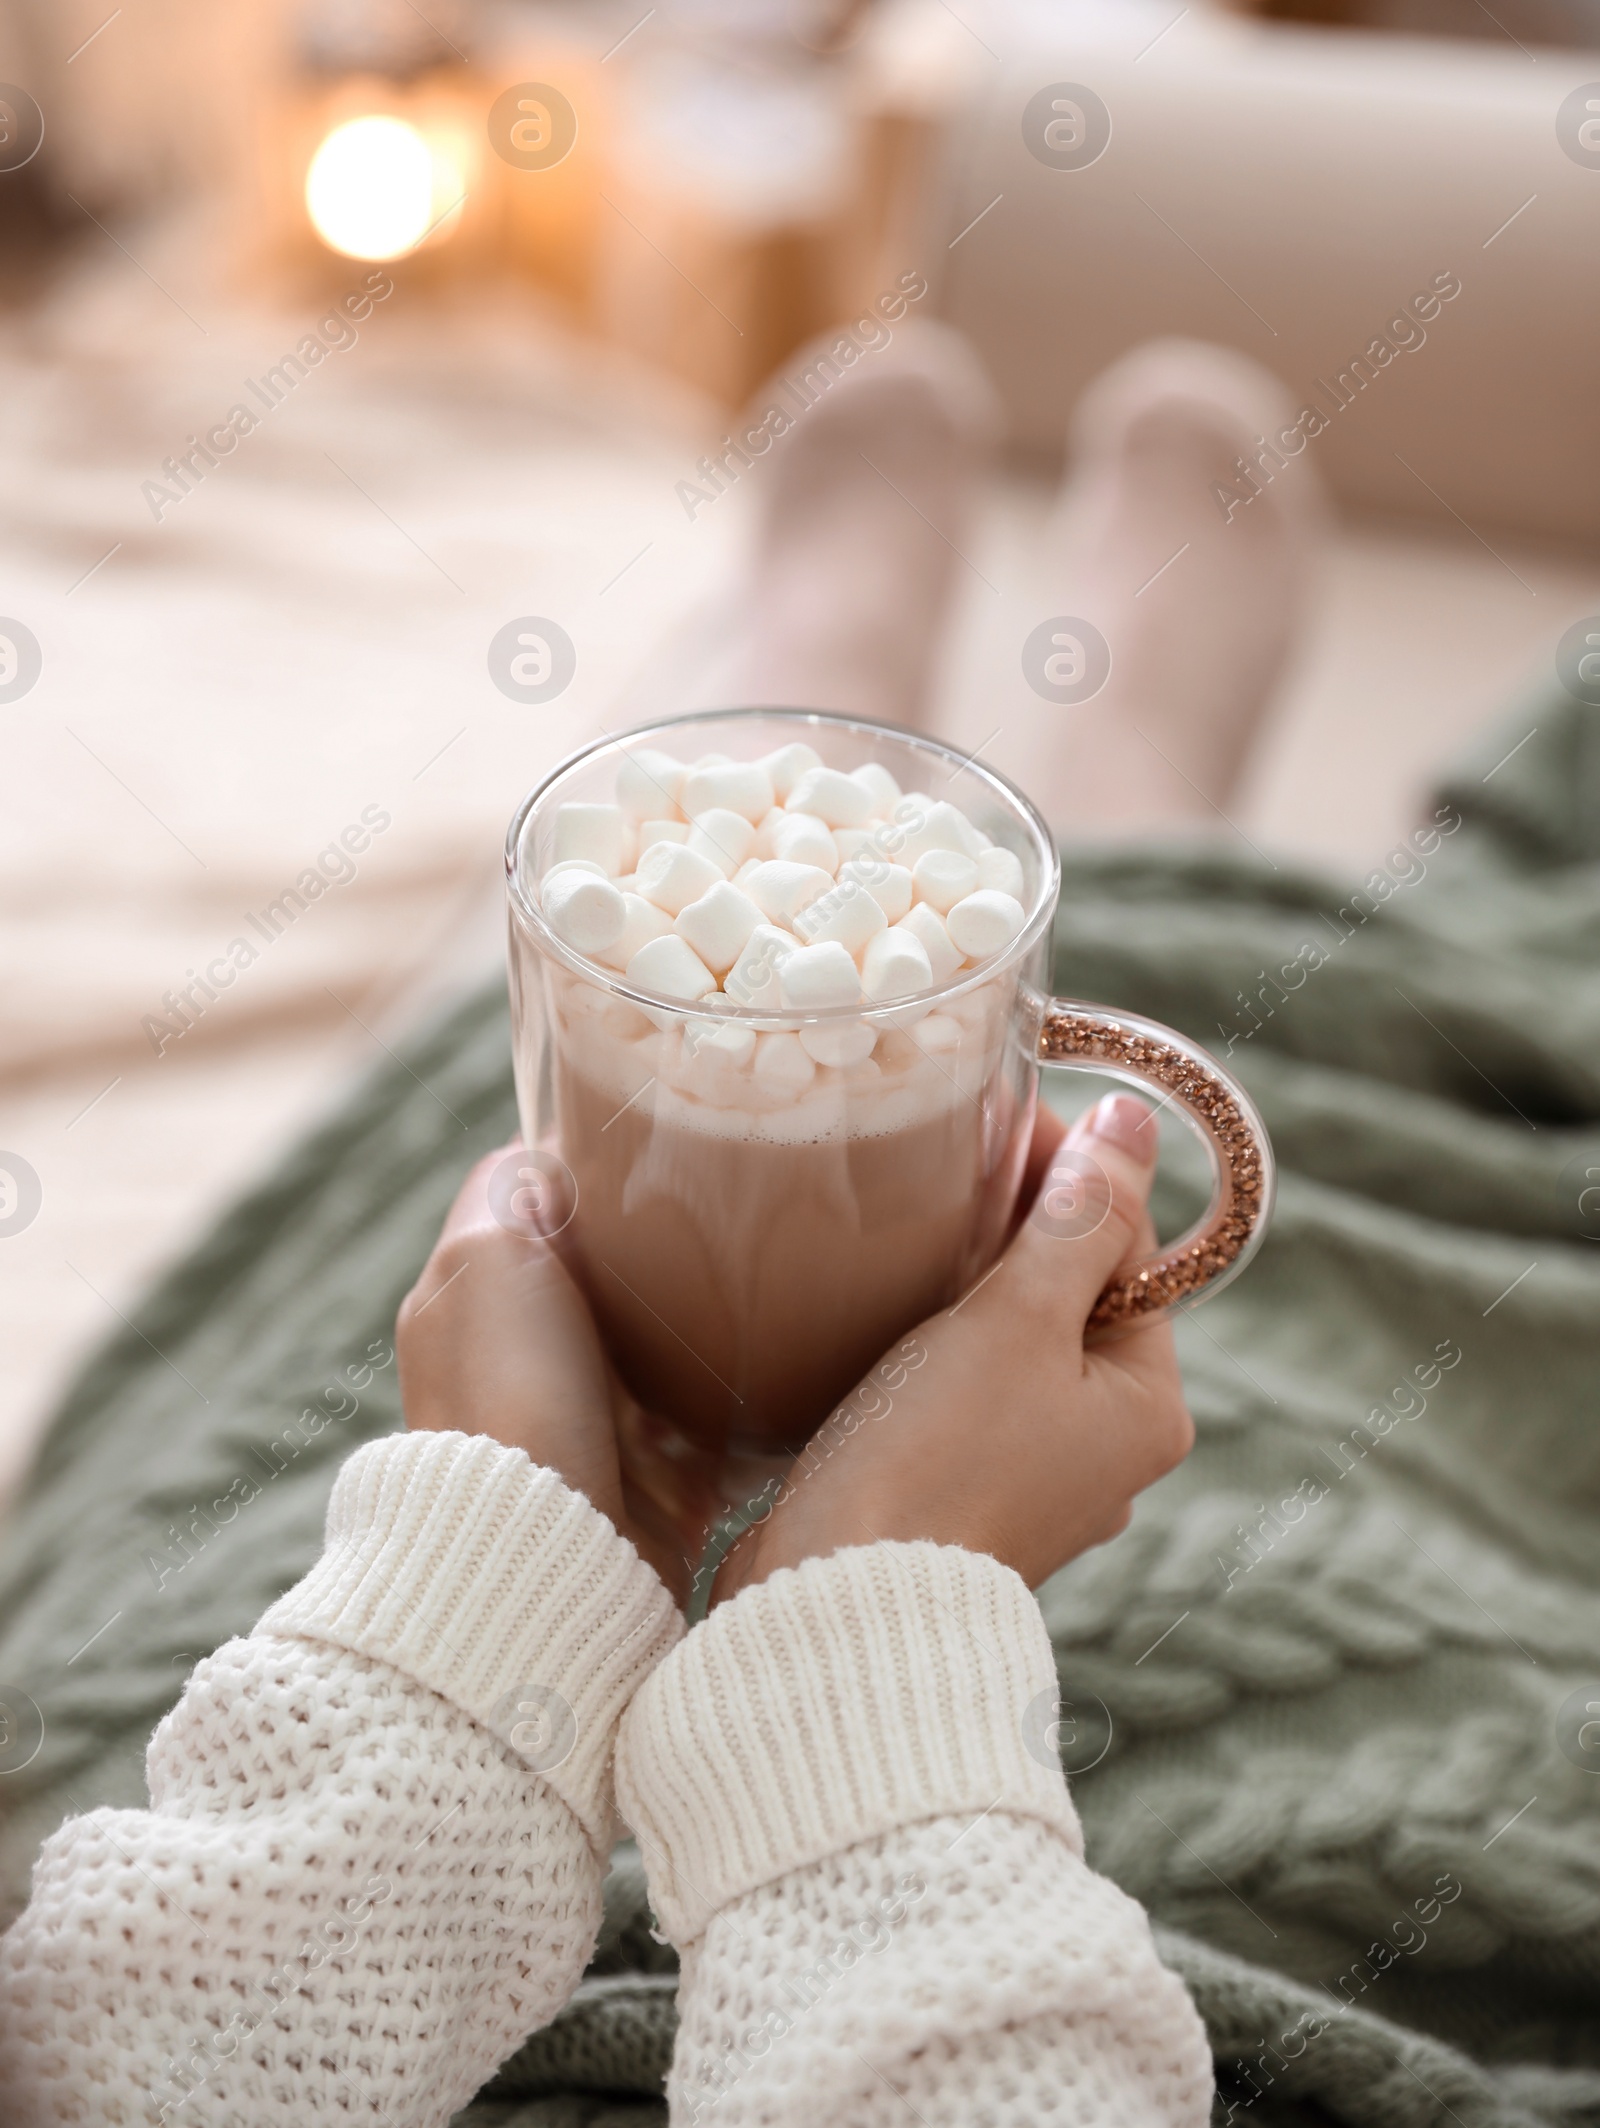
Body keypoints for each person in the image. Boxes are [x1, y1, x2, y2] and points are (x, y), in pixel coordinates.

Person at [0, 320, 1327, 2126]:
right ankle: (1140, 771)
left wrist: (480, 1585)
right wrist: (880, 1593)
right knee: (1318, 1318)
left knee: (361, 1281)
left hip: (494, 1514)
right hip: (954, 1843)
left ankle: (818, 675)